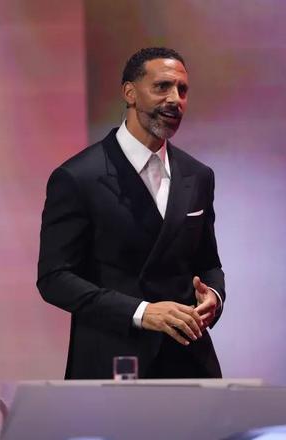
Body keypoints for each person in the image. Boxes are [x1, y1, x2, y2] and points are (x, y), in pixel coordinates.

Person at [37, 47, 225, 379]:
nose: (175, 99)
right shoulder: (78, 177)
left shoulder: (198, 176)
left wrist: (213, 296)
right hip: (113, 363)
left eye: (182, 90)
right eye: (162, 86)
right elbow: (55, 279)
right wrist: (141, 312)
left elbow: (208, 263)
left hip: (188, 362)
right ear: (129, 93)